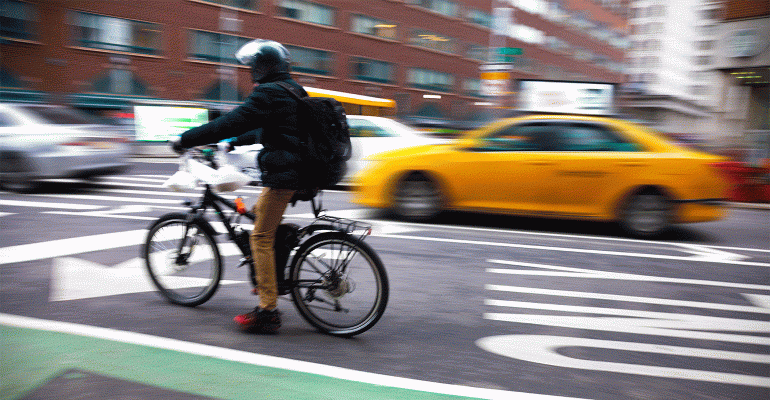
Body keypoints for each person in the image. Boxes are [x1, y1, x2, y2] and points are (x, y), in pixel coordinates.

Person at [172, 39, 308, 334]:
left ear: (261, 68)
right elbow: (264, 127)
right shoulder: (293, 90)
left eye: (252, 67)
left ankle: (267, 311)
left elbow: (231, 121)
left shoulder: (269, 93)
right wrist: (232, 142)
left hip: (284, 177)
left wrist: (186, 139)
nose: (250, 72)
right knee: (259, 215)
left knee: (259, 236)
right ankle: (269, 273)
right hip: (298, 172)